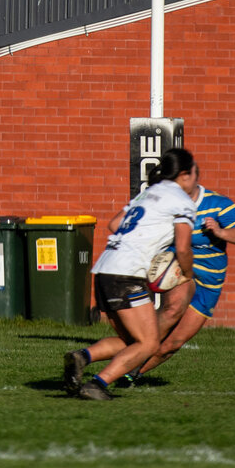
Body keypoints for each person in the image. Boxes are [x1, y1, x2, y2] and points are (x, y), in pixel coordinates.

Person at [61, 150, 201, 401]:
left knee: (131, 342)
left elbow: (115, 224)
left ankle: (82, 357)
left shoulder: (148, 194)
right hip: (126, 275)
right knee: (149, 344)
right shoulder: (182, 200)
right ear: (184, 175)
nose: (196, 180)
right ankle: (98, 383)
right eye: (194, 174)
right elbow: (182, 248)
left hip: (105, 269)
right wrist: (187, 275)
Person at [136, 153, 235, 379]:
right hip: (180, 270)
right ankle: (126, 360)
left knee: (173, 343)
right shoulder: (166, 204)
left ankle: (131, 374)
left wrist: (220, 232)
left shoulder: (217, 204)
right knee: (172, 310)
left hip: (210, 281)